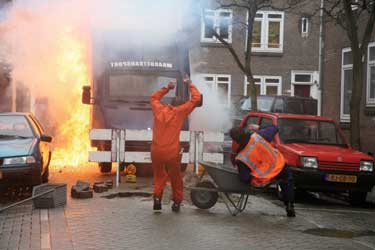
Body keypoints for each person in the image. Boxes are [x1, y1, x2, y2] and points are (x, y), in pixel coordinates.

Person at [150, 79, 202, 212]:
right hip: (172, 152)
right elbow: (196, 99)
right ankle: (176, 203)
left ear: (170, 103)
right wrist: (190, 83)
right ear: (180, 105)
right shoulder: (180, 112)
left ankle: (157, 198)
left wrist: (167, 87)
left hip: (156, 150)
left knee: (159, 175)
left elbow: (154, 97)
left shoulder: (159, 109)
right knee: (175, 177)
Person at [229, 124, 296, 217]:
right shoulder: (259, 136)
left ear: (235, 140)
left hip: (265, 177)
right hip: (279, 165)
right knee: (287, 181)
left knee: (283, 180)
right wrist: (258, 127)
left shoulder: (241, 158)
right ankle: (289, 205)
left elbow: (245, 178)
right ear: (244, 131)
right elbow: (275, 127)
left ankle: (285, 199)